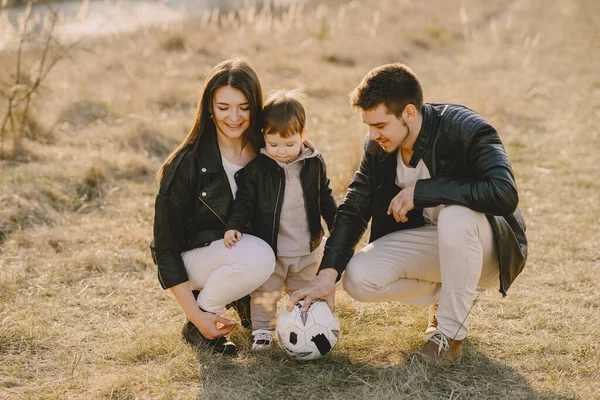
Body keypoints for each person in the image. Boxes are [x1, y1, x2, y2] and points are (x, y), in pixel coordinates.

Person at [289, 63, 527, 366]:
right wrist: (326, 274)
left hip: (489, 249)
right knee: (358, 279)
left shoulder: (465, 129)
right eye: (368, 126)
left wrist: (423, 192)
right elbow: (354, 207)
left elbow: (504, 193)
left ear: (409, 113)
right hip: (440, 246)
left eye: (380, 125)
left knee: (456, 217)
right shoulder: (378, 147)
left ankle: (449, 336)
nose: (373, 135)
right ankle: (450, 294)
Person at [152, 57, 276, 356]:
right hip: (196, 259)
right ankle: (201, 322)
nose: (234, 117)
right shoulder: (186, 163)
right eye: (223, 108)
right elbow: (165, 249)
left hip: (241, 252)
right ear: (209, 108)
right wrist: (197, 315)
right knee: (258, 256)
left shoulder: (267, 149)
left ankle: (248, 298)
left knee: (314, 245)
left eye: (244, 107)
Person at [223, 89, 337, 350]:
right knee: (265, 294)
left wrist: (336, 225)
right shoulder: (258, 169)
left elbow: (326, 197)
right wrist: (234, 225)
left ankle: (307, 328)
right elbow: (244, 202)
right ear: (264, 136)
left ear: (303, 135)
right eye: (273, 145)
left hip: (306, 249)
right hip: (271, 249)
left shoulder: (314, 164)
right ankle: (262, 331)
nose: (281, 151)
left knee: (305, 293)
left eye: (289, 144)